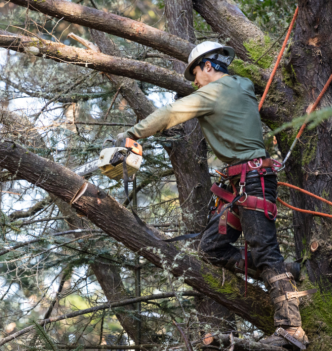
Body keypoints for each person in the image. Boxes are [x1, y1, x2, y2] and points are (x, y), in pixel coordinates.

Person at [116, 41, 312, 349]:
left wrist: (133, 134)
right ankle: (286, 272)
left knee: (264, 249)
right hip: (245, 182)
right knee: (211, 248)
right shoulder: (242, 86)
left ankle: (291, 328)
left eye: (195, 73)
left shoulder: (213, 93)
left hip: (252, 180)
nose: (193, 82)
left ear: (208, 66)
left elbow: (170, 113)